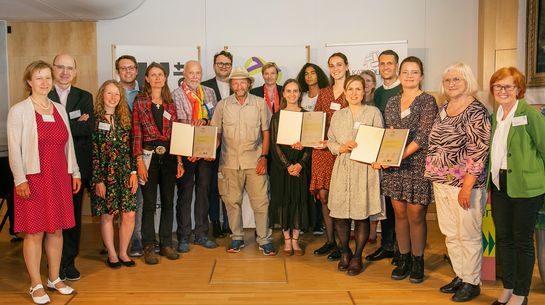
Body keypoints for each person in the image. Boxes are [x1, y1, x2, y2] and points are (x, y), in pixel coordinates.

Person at [8, 60, 80, 304]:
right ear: (29, 82)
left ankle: (54, 278)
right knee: (35, 232)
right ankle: (35, 283)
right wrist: (20, 179)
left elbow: (68, 144)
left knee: (56, 230)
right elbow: (14, 149)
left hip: (59, 176)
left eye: (48, 77)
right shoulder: (19, 110)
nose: (44, 82)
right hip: (33, 178)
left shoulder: (59, 109)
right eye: (39, 78)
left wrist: (76, 172)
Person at [424, 63, 490, 302]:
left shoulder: (476, 111)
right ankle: (461, 275)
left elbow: (478, 151)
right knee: (450, 233)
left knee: (468, 234)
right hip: (441, 182)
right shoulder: (444, 107)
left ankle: (472, 282)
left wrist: (467, 186)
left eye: (457, 80)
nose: (451, 84)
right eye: (448, 80)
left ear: (468, 82)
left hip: (465, 186)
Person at [372, 56, 437, 283]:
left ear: (421, 76)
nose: (410, 76)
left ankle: (418, 261)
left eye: (414, 72)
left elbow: (423, 136)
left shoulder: (427, 101)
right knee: (399, 214)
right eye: (406, 72)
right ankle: (404, 258)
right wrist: (380, 156)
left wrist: (397, 155)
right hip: (394, 166)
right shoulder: (391, 102)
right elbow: (390, 134)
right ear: (400, 75)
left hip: (417, 164)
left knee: (416, 215)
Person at [488, 67, 545, 305]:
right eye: (498, 86)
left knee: (522, 240)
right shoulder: (496, 115)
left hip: (526, 187)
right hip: (500, 184)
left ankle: (521, 292)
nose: (502, 91)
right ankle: (508, 287)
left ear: (518, 89)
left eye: (508, 86)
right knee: (503, 239)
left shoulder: (529, 114)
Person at [210, 67, 276, 255]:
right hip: (229, 162)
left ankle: (264, 239)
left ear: (249, 84)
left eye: (243, 82)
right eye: (235, 82)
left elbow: (266, 132)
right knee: (232, 203)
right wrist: (207, 150)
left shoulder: (260, 104)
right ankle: (236, 238)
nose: (239, 86)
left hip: (255, 162)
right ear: (231, 85)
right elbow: (216, 134)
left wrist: (264, 157)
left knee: (261, 202)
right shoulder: (222, 105)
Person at [327, 75, 385, 276]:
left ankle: (357, 256)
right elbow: (330, 142)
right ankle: (345, 251)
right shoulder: (338, 115)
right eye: (350, 89)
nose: (354, 93)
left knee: (361, 216)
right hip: (342, 167)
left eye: (358, 89)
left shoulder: (373, 113)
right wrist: (341, 147)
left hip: (364, 169)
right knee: (340, 216)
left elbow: (380, 140)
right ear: (345, 92)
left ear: (365, 91)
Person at [48, 53, 94, 281]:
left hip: (77, 168)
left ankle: (68, 262)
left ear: (75, 72)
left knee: (73, 216)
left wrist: (61, 125)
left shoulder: (84, 96)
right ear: (53, 69)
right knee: (52, 217)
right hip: (49, 167)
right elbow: (42, 132)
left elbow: (88, 129)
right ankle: (53, 263)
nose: (65, 72)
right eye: (60, 67)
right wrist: (73, 123)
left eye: (70, 68)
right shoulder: (42, 94)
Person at [132, 62, 184, 265]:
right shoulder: (140, 101)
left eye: (160, 74)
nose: (157, 78)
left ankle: (165, 243)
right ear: (146, 78)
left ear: (165, 77)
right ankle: (148, 245)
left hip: (170, 156)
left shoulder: (170, 102)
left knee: (169, 202)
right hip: (148, 156)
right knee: (149, 204)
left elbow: (177, 132)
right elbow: (136, 132)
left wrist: (179, 160)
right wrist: (139, 161)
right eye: (153, 75)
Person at [91, 80, 139, 269]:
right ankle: (111, 254)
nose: (113, 98)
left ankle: (123, 252)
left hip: (125, 174)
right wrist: (98, 180)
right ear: (102, 95)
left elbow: (132, 148)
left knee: (129, 215)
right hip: (105, 176)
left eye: (116, 94)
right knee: (108, 216)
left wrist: (134, 171)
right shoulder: (95, 120)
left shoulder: (125, 120)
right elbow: (93, 153)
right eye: (109, 93)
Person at [172, 60, 218, 252]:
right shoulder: (176, 94)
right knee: (185, 195)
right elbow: (180, 123)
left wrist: (205, 120)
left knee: (203, 193)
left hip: (205, 151)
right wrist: (188, 152)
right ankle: (183, 236)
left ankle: (201, 234)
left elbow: (214, 119)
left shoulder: (209, 92)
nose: (195, 76)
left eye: (198, 73)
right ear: (184, 73)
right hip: (186, 152)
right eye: (191, 73)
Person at [310, 52, 349, 260]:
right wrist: (308, 139)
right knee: (324, 196)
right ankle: (330, 240)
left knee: (340, 197)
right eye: (332, 65)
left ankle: (343, 244)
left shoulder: (353, 90)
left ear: (346, 66)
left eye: (339, 64)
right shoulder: (324, 93)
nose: (335, 69)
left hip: (343, 151)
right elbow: (316, 119)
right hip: (323, 149)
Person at [269, 79, 314, 256]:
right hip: (282, 168)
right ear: (284, 94)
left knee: (298, 202)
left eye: (295, 91)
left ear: (300, 94)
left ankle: (296, 240)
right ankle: (286, 240)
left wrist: (300, 164)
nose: (292, 94)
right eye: (289, 91)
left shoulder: (307, 115)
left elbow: (310, 144)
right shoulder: (277, 116)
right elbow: (274, 144)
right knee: (283, 202)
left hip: (300, 166)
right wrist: (288, 165)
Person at [366, 50, 401, 264]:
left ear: (396, 66)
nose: (386, 67)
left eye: (390, 63)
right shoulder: (377, 93)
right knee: (386, 204)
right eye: (382, 64)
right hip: (380, 157)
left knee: (400, 205)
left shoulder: (404, 90)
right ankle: (387, 245)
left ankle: (401, 248)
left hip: (401, 156)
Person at [115, 55, 145, 257]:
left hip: (137, 151)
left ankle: (136, 239)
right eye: (123, 68)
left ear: (136, 71)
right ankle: (113, 242)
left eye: (131, 68)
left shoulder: (143, 94)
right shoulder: (111, 92)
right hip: (114, 153)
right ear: (118, 71)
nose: (127, 71)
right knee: (113, 201)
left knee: (136, 200)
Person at [295, 63, 330, 236]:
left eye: (313, 73)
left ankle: (319, 223)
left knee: (319, 187)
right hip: (301, 147)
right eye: (306, 73)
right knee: (303, 185)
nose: (309, 76)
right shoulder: (300, 96)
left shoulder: (325, 94)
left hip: (320, 147)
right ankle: (303, 222)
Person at [202, 50, 233, 238]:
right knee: (212, 184)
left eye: (227, 64)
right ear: (214, 65)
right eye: (220, 63)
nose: (223, 66)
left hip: (232, 144)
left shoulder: (238, 85)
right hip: (211, 142)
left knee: (229, 185)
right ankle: (214, 221)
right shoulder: (204, 87)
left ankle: (230, 222)